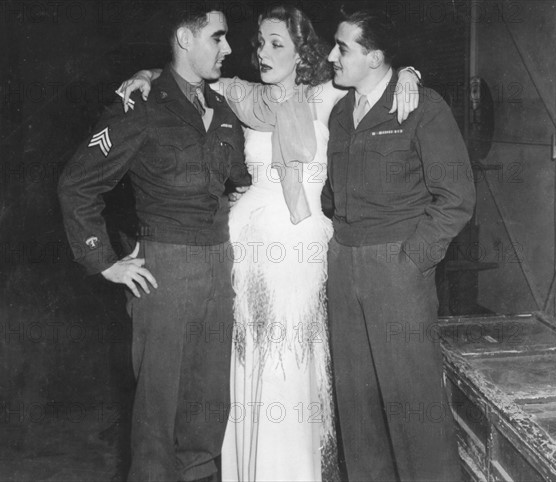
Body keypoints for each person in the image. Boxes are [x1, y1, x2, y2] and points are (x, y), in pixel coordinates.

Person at [118, 6, 420, 481]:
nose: (262, 53)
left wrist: (409, 73)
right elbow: (185, 74)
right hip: (242, 245)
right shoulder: (241, 95)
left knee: (292, 362)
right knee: (244, 359)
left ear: (303, 53)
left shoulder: (326, 95)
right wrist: (145, 72)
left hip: (300, 246)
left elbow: (373, 72)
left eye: (276, 43)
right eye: (259, 42)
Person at [58, 4, 252, 482]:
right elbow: (77, 183)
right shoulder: (140, 107)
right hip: (164, 273)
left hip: (219, 271)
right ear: (185, 40)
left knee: (208, 413)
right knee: (156, 420)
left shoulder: (224, 110)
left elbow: (237, 181)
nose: (228, 48)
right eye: (218, 37)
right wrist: (104, 261)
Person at [324, 8, 476, 481]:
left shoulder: (421, 106)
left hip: (397, 269)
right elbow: (334, 195)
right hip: (345, 266)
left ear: (374, 57)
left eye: (342, 48)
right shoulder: (339, 113)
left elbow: (456, 197)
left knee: (414, 407)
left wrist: (412, 261)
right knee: (358, 406)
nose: (332, 55)